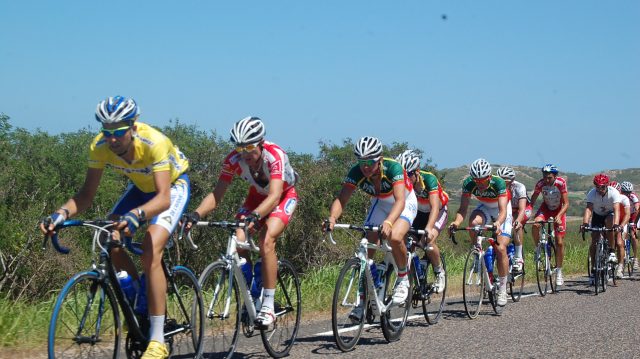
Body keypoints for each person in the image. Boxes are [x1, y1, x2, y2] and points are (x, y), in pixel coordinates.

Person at [40, 96, 190, 359]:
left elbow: (164, 198)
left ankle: (157, 340)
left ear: (133, 126)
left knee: (151, 248)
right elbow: (86, 195)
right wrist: (60, 213)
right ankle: (140, 298)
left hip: (172, 187)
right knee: (111, 235)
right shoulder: (99, 146)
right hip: (141, 189)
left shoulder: (154, 142)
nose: (112, 138)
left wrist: (137, 214)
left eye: (118, 131)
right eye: (106, 130)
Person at [183, 116, 298, 327]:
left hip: (282, 196)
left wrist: (255, 215)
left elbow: (274, 196)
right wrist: (196, 214)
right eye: (240, 149)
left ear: (261, 143)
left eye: (250, 147)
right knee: (239, 236)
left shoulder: (275, 156)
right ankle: (251, 295)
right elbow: (217, 195)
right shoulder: (233, 160)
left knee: (266, 240)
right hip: (256, 197)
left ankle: (268, 306)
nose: (245, 154)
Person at [325, 136, 417, 321]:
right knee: (366, 249)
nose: (365, 167)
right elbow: (342, 199)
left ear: (380, 159)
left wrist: (390, 222)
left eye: (369, 162)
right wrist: (332, 218)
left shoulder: (393, 168)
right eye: (361, 162)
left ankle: (402, 278)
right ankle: (363, 301)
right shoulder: (356, 172)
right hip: (381, 203)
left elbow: (399, 201)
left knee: (396, 237)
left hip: (404, 202)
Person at [449, 158, 512, 306]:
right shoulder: (469, 183)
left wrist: (498, 223)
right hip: (484, 207)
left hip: (501, 213)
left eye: (482, 181)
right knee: (473, 222)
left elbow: (503, 211)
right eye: (476, 180)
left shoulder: (499, 183)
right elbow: (463, 209)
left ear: (489, 177)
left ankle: (503, 289)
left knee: (500, 247)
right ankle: (476, 250)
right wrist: (457, 222)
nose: (479, 184)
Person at [395, 150, 448, 292]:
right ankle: (417, 277)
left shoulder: (429, 179)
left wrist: (429, 228)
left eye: (410, 174)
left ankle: (439, 271)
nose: (407, 178)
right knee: (407, 244)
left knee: (428, 241)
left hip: (436, 212)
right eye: (404, 174)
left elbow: (435, 207)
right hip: (418, 212)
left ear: (417, 172)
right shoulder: (401, 181)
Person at [529, 164, 569, 286]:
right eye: (544, 177)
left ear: (555, 176)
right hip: (545, 208)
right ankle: (538, 248)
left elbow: (566, 203)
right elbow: (533, 200)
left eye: (549, 177)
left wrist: (559, 216)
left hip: (559, 210)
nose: (546, 180)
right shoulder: (540, 184)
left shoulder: (561, 183)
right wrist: (527, 213)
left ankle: (559, 271)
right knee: (536, 225)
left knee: (559, 242)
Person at [580, 173, 623, 283]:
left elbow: (617, 209)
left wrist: (616, 224)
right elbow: (589, 209)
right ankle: (594, 270)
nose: (600, 189)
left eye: (603, 187)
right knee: (594, 240)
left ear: (607, 185)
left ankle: (612, 252)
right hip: (597, 216)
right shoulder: (592, 193)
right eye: (597, 187)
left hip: (610, 214)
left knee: (610, 224)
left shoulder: (614, 193)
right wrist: (585, 223)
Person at [496, 166, 532, 272]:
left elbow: (521, 210)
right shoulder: (497, 187)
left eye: (506, 182)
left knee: (517, 224)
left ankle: (518, 256)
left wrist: (517, 220)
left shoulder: (519, 187)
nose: (503, 184)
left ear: (512, 180)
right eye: (500, 180)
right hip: (508, 209)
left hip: (523, 209)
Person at [610, 181, 631, 277]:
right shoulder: (607, 198)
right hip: (611, 222)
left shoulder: (624, 198)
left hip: (622, 221)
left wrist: (622, 225)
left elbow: (627, 215)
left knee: (619, 243)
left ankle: (620, 266)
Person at [620, 181, 639, 269]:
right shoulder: (619, 196)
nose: (627, 194)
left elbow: (637, 208)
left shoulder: (633, 197)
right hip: (624, 215)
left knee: (633, 235)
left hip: (633, 215)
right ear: (621, 191)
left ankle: (635, 258)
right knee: (621, 234)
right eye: (625, 192)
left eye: (629, 192)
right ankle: (622, 256)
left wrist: (634, 223)